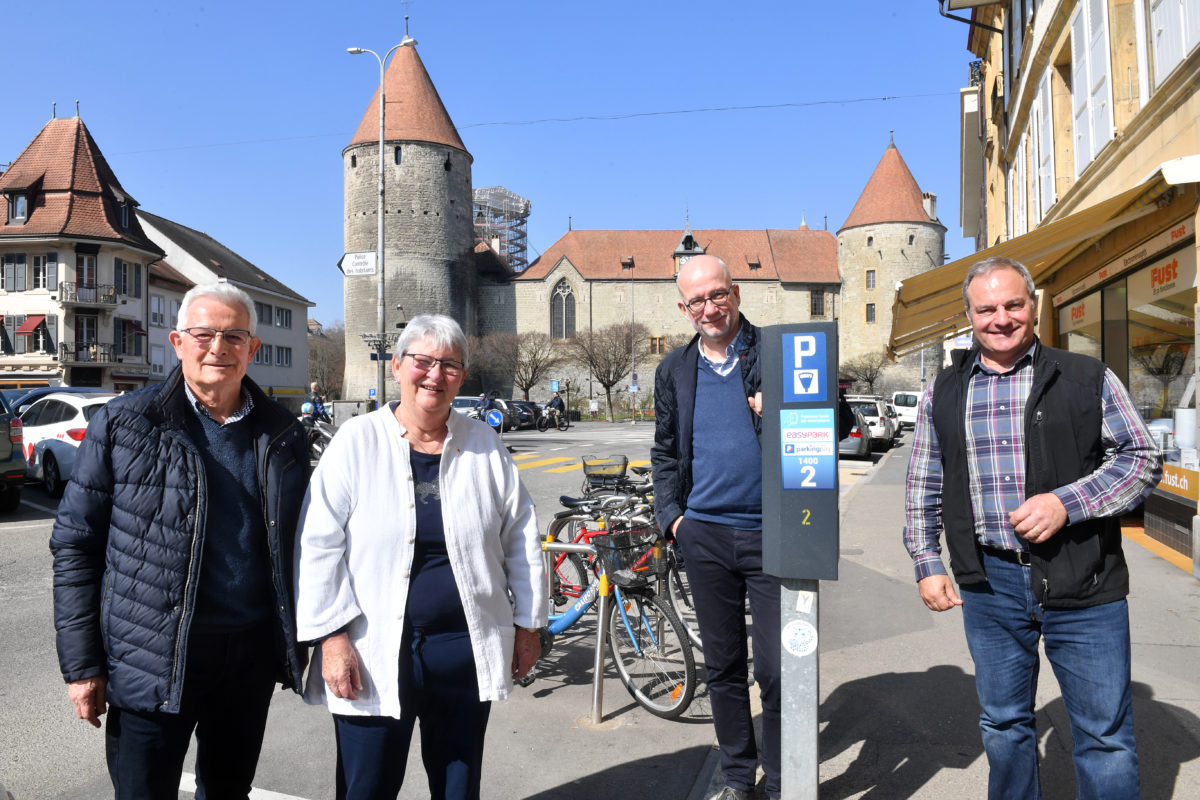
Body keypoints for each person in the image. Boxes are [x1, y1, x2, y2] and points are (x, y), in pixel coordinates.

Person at [904, 257, 1161, 800]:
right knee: (1004, 724)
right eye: (987, 308)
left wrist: (1068, 503)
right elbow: (923, 485)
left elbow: (1141, 458)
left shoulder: (1087, 377)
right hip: (989, 585)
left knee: (1105, 737)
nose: (1001, 318)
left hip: (1084, 583)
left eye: (1013, 304)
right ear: (969, 315)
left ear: (1035, 305)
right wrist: (927, 565)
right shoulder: (943, 392)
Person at [50, 283, 311, 799]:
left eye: (234, 335)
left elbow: (307, 546)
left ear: (253, 348)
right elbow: (76, 547)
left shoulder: (283, 434)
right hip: (151, 655)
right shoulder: (125, 423)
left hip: (247, 658)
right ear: (176, 341)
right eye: (204, 333)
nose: (219, 346)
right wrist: (83, 667)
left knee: (229, 790)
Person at [295, 314, 545, 800]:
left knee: (457, 784)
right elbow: (317, 544)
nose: (434, 375)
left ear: (461, 376)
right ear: (397, 366)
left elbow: (521, 537)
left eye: (450, 365)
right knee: (367, 786)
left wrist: (530, 626)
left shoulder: (484, 446)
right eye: (422, 362)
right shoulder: (356, 442)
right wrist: (331, 638)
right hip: (371, 649)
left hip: (463, 648)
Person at [651, 255, 779, 800]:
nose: (709, 308)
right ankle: (736, 777)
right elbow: (664, 451)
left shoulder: (777, 353)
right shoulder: (674, 369)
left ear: (737, 294)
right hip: (703, 534)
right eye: (697, 300)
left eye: (717, 295)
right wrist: (672, 518)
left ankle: (781, 780)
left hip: (776, 532)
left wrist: (782, 413)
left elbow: (835, 422)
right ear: (684, 308)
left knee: (778, 669)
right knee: (724, 667)